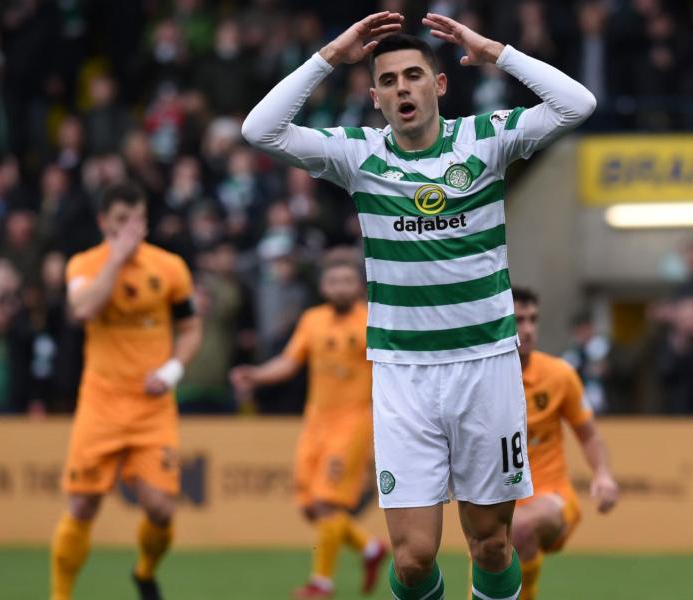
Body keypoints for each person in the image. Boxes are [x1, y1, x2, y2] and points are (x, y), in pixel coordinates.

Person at [242, 11, 596, 600]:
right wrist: (330, 56)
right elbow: (260, 130)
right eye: (388, 80)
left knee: (489, 544)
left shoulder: (485, 140)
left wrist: (497, 52)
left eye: (413, 75)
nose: (402, 87)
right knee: (411, 559)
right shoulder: (357, 155)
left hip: (486, 366)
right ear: (376, 97)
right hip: (403, 374)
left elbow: (577, 104)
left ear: (439, 85)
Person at [49, 182, 202, 600]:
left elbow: (190, 328)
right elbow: (83, 310)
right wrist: (115, 259)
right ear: (103, 222)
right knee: (82, 505)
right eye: (121, 221)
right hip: (101, 401)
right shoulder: (84, 265)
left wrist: (173, 369)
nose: (131, 231)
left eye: (138, 221)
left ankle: (144, 571)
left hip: (151, 406)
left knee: (160, 509)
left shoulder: (170, 267)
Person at [230, 251, 387, 598]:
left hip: (353, 422)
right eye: (334, 281)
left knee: (327, 504)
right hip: (315, 422)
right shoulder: (312, 320)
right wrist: (255, 375)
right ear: (323, 286)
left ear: (358, 287)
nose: (340, 288)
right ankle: (370, 548)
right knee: (308, 505)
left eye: (347, 281)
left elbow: (388, 372)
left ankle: (321, 583)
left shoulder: (370, 321)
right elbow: (288, 362)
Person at [508, 288, 618, 599]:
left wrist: (603, 474)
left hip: (551, 494)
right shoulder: (476, 380)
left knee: (517, 528)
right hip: (496, 498)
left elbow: (589, 434)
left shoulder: (559, 375)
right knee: (491, 551)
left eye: (533, 320)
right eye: (517, 321)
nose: (528, 329)